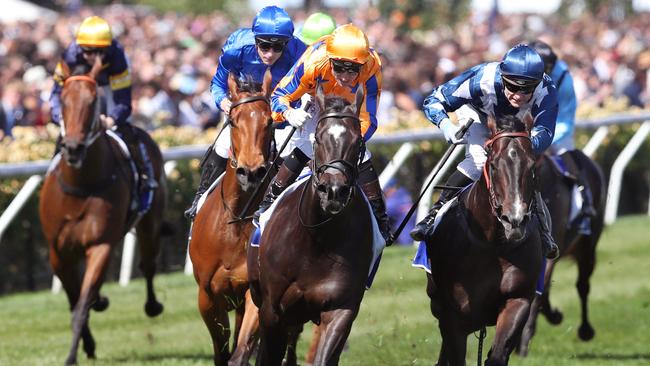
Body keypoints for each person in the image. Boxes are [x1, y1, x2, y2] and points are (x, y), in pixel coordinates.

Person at [410, 44, 559, 259]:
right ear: (502, 75)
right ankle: (434, 213)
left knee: (520, 166)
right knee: (479, 162)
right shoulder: (481, 79)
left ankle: (544, 230)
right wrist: (446, 125)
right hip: (480, 116)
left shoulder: (547, 89)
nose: (519, 95)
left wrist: (522, 147)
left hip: (517, 127)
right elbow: (433, 100)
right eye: (512, 86)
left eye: (527, 89)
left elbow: (545, 131)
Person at [257, 24, 394, 245]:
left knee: (361, 153)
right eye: (339, 68)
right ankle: (268, 203)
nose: (346, 76)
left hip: (349, 104)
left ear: (363, 65)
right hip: (315, 98)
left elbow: (369, 119)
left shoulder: (372, 68)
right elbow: (278, 96)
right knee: (305, 143)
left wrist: (350, 143)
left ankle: (380, 218)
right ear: (330, 60)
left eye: (353, 69)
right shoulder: (313, 62)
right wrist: (289, 113)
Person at [184, 6, 307, 220]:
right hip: (244, 109)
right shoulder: (237, 48)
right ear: (255, 40)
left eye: (278, 48)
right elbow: (218, 85)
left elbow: (309, 87)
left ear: (287, 44)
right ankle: (201, 199)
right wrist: (225, 104)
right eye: (265, 46)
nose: (270, 54)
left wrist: (296, 109)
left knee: (293, 152)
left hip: (283, 115)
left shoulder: (300, 53)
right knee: (223, 144)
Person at [49, 16, 157, 208]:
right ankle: (49, 179)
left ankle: (145, 178)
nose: (93, 56)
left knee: (127, 132)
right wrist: (61, 118)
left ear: (108, 48)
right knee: (67, 135)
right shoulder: (70, 56)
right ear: (79, 47)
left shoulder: (117, 57)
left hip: (109, 88)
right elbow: (56, 94)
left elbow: (124, 101)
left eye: (100, 51)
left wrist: (111, 119)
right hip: (79, 88)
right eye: (88, 51)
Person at [529, 40, 596, 234]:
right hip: (525, 126)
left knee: (568, 156)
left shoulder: (563, 78)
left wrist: (545, 140)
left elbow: (566, 119)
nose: (545, 74)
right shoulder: (517, 69)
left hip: (556, 128)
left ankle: (585, 207)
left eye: (548, 68)